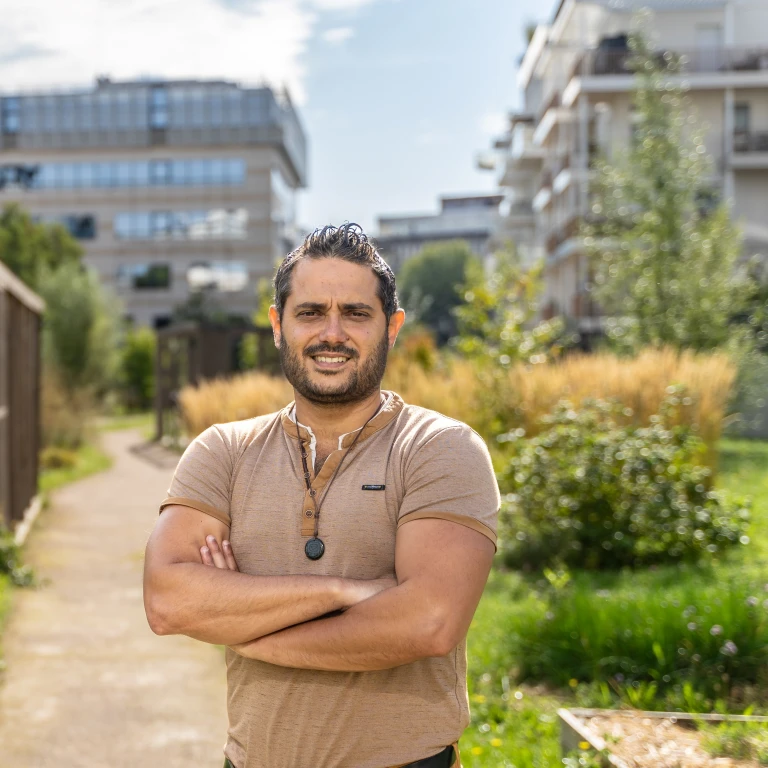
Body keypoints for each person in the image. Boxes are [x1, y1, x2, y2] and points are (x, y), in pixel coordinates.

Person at [143, 223, 500, 768]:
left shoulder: (440, 448)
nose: (331, 333)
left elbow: (429, 622)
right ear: (277, 325)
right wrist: (348, 591)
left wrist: (249, 631)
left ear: (392, 327)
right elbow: (169, 601)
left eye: (356, 313)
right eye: (310, 312)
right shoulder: (224, 451)